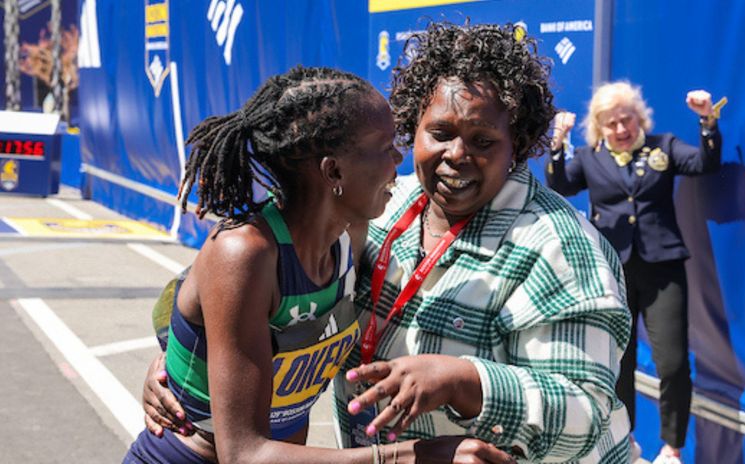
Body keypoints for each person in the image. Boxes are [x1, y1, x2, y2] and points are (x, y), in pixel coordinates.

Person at [145, 23, 633, 463]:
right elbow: (218, 289)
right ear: (413, 129)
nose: (456, 156)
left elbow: (586, 413)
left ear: (518, 146)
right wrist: (182, 365)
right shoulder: (377, 210)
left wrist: (467, 381)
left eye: (483, 141)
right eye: (440, 133)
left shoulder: (562, 247)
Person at [546, 81, 722, 464]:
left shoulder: (664, 146)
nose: (621, 129)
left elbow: (704, 163)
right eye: (611, 124)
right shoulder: (590, 158)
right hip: (612, 274)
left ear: (639, 118)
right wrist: (557, 144)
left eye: (626, 120)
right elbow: (558, 184)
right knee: (617, 364)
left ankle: (672, 447)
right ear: (600, 129)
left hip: (663, 270)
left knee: (672, 363)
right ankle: (622, 445)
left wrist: (708, 121)